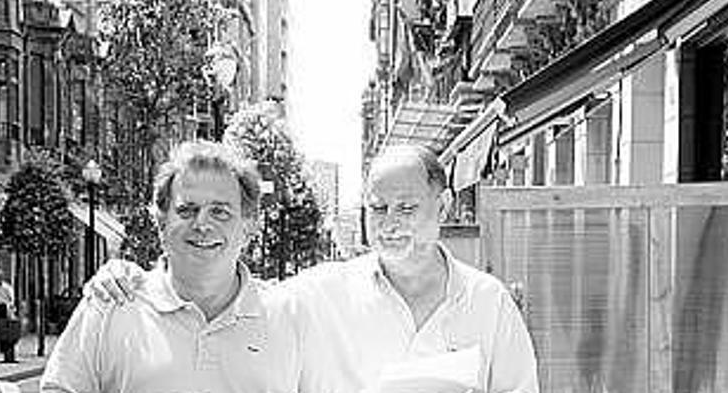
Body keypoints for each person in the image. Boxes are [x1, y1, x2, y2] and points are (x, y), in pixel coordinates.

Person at [90, 144, 540, 392]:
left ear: (442, 206)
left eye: (406, 208)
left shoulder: (489, 303)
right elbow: (225, 294)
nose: (389, 223)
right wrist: (136, 280)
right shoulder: (321, 294)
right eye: (377, 208)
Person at [40, 141, 310, 393]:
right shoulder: (110, 305)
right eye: (187, 210)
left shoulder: (289, 318)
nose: (202, 224)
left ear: (248, 226)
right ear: (161, 223)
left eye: (220, 212)